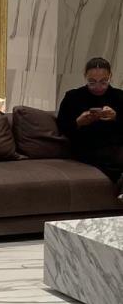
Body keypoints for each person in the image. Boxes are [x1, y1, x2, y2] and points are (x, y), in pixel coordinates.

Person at [57, 57, 123, 200]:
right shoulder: (73, 97)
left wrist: (116, 117)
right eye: (92, 82)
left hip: (116, 143)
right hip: (87, 146)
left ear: (110, 76)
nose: (98, 87)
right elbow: (62, 127)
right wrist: (78, 122)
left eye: (103, 82)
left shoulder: (119, 96)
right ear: (85, 77)